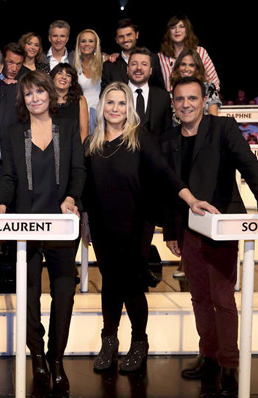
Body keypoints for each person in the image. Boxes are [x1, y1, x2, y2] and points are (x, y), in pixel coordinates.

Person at [161, 77, 258, 397]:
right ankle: (211, 357)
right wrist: (172, 231)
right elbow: (170, 189)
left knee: (222, 297)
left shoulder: (224, 128)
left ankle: (230, 363)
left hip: (222, 227)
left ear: (204, 101)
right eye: (180, 99)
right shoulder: (169, 139)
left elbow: (249, 165)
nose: (186, 104)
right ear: (174, 104)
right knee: (199, 297)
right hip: (188, 228)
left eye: (192, 98)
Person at [80, 81, 214, 374]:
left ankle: (139, 342)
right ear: (103, 106)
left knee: (130, 285)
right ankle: (110, 341)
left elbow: (165, 174)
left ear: (130, 107)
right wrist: (85, 222)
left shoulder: (140, 138)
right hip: (102, 226)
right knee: (109, 284)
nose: (116, 109)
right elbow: (86, 191)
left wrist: (190, 199)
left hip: (135, 225)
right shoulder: (91, 144)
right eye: (111, 103)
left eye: (122, 103)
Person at [0, 70, 85, 397]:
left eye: (39, 93)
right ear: (23, 100)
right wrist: (1, 204)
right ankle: (37, 356)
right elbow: (9, 177)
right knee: (29, 295)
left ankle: (57, 359)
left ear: (50, 94)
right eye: (28, 94)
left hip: (61, 223)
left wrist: (71, 199)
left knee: (64, 294)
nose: (35, 99)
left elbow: (78, 171)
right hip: (25, 224)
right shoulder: (14, 132)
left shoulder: (69, 128)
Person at [158, 16, 219, 93]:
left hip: (198, 102)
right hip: (171, 102)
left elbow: (213, 82)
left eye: (181, 26)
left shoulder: (200, 52)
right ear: (168, 31)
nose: (177, 30)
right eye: (173, 27)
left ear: (188, 30)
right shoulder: (160, 57)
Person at [101, 19, 164, 91]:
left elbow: (160, 89)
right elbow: (104, 94)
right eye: (121, 36)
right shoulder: (109, 66)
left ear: (137, 35)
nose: (126, 39)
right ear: (116, 40)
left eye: (129, 35)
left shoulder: (152, 58)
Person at [127, 48, 172, 138]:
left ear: (151, 70)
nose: (139, 68)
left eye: (144, 64)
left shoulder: (163, 97)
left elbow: (167, 132)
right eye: (134, 64)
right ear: (127, 69)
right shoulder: (116, 94)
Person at [169, 49, 221, 115]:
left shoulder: (208, 88)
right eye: (183, 64)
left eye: (191, 65)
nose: (186, 69)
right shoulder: (173, 92)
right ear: (178, 67)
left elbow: (214, 119)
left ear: (197, 68)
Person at [50, 63, 89, 141]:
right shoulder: (44, 100)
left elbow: (83, 132)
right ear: (52, 78)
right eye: (60, 73)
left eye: (68, 75)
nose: (63, 77)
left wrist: (80, 152)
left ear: (71, 82)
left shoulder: (80, 100)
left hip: (73, 148)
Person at [72, 29, 102, 124]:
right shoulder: (74, 67)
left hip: (102, 113)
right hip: (81, 113)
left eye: (91, 41)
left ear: (96, 44)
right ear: (79, 45)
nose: (87, 44)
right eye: (83, 41)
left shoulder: (105, 63)